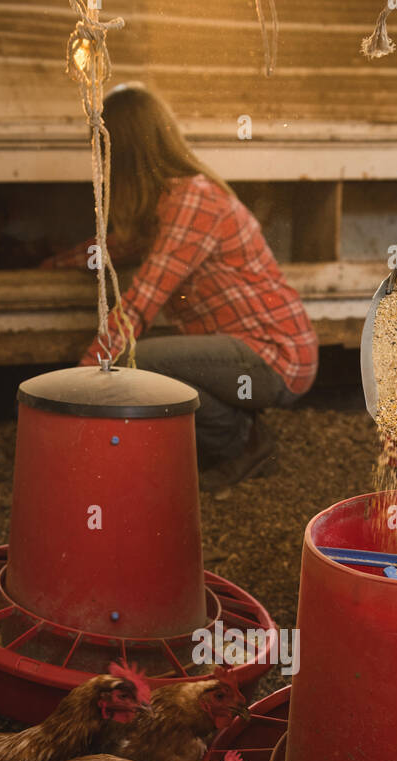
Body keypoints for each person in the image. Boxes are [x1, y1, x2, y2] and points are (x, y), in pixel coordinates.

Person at [51, 83, 319, 493]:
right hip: (244, 348)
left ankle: (238, 445)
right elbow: (115, 249)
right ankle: (242, 433)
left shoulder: (193, 200)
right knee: (150, 366)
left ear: (127, 153)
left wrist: (72, 397)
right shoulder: (166, 203)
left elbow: (140, 304)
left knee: (136, 359)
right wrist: (51, 263)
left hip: (275, 353)